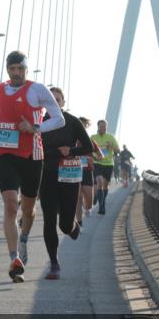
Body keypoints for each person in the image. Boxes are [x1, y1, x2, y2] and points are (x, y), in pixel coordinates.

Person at [0, 51, 64, 283]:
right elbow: (1, 115)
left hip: (32, 155)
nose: (16, 73)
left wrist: (35, 127)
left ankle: (23, 238)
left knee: (28, 209)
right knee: (11, 205)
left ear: (26, 69)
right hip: (4, 153)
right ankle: (14, 259)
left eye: (20, 69)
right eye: (12, 69)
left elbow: (58, 119)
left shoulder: (37, 89)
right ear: (7, 70)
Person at [39, 88, 94, 279]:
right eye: (50, 100)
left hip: (68, 174)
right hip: (46, 175)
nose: (54, 103)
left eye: (57, 100)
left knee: (64, 225)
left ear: (63, 103)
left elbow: (88, 148)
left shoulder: (71, 121)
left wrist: (71, 150)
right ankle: (54, 264)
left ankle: (72, 225)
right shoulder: (40, 122)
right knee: (49, 220)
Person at [76, 116, 103, 224]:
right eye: (79, 125)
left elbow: (101, 156)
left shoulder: (91, 142)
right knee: (78, 198)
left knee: (89, 198)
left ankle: (87, 208)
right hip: (75, 171)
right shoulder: (72, 140)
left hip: (87, 170)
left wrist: (93, 158)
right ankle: (79, 222)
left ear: (86, 127)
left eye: (83, 125)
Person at [90, 120, 120, 215]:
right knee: (99, 182)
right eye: (101, 126)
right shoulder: (93, 137)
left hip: (108, 164)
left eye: (104, 127)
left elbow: (118, 151)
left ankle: (101, 199)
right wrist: (95, 156)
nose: (102, 128)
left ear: (107, 127)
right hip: (97, 163)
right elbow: (88, 150)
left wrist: (110, 146)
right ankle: (101, 207)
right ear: (97, 127)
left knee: (105, 186)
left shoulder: (111, 137)